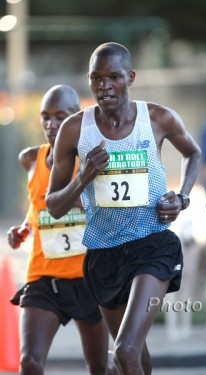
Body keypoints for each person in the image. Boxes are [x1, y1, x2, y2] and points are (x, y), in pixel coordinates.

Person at [45, 42, 201, 375]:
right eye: (96, 78)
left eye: (114, 77)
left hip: (152, 246)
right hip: (103, 254)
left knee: (124, 351)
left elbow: (194, 153)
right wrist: (83, 177)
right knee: (136, 355)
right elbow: (54, 205)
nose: (105, 86)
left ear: (130, 77)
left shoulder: (157, 117)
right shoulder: (74, 129)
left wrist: (182, 197)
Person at [7, 85, 117, 375]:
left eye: (60, 116)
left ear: (76, 118)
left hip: (88, 278)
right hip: (44, 277)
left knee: (98, 367)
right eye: (46, 117)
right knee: (29, 363)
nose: (51, 125)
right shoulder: (30, 159)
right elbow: (37, 207)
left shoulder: (94, 160)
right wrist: (23, 229)